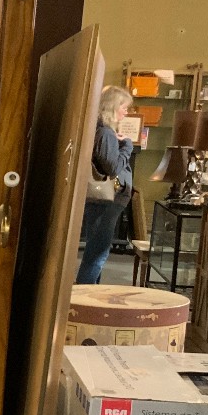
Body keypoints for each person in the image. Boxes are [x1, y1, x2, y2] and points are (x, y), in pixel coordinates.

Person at [76, 85, 135, 286]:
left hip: (105, 200)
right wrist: (127, 146)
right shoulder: (105, 133)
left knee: (97, 248)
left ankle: (89, 293)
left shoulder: (101, 131)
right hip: (106, 200)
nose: (126, 112)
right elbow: (113, 168)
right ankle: (84, 294)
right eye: (124, 107)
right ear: (113, 107)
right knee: (98, 251)